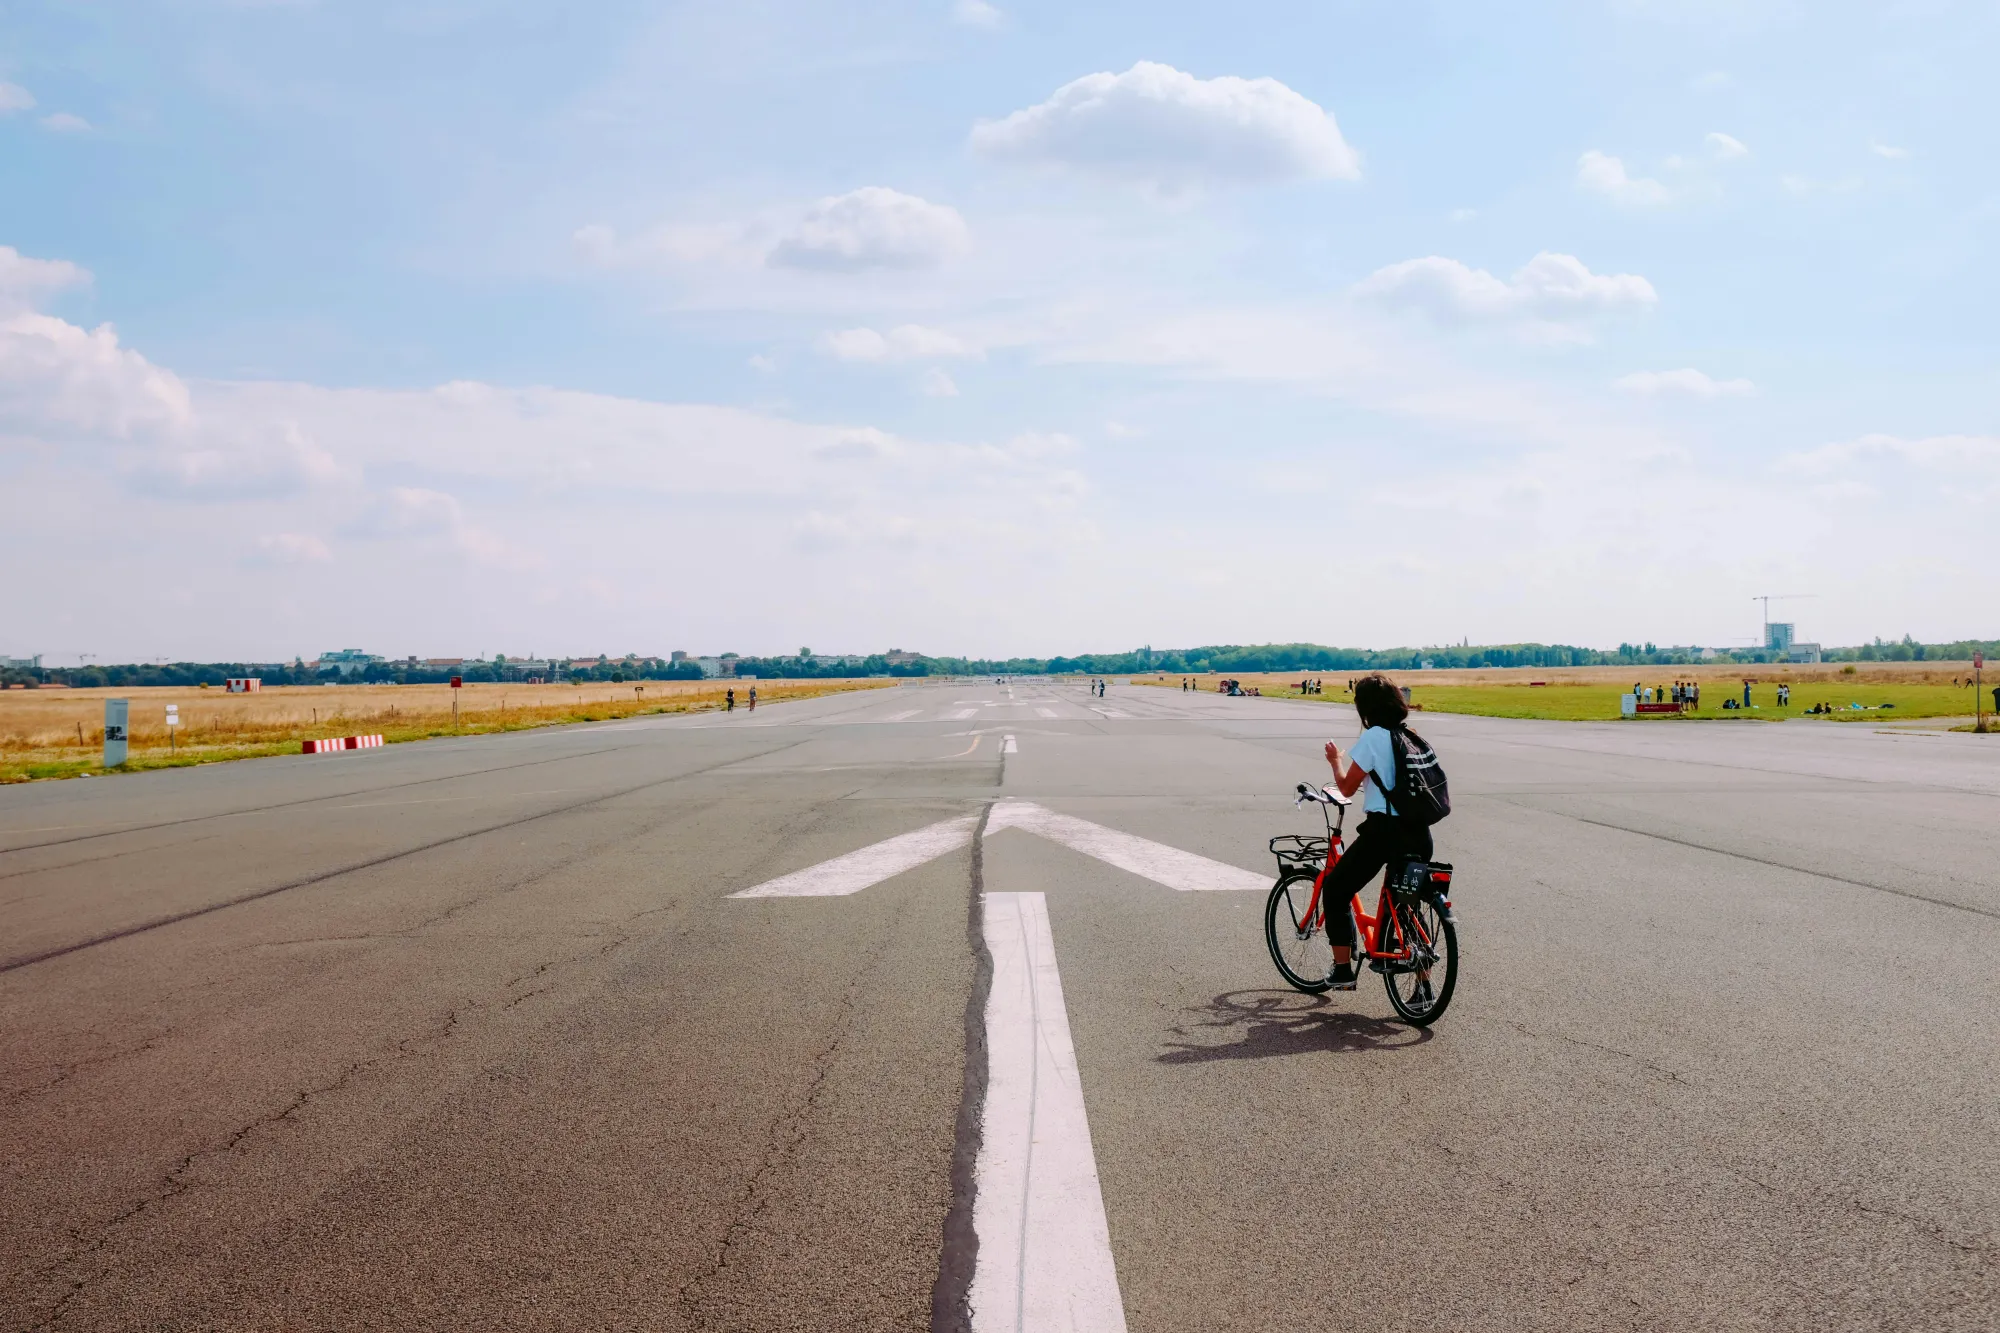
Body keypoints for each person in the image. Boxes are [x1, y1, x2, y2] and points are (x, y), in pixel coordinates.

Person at [1319, 674, 1437, 991]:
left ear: (1364, 707)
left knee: (1335, 889)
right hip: (1420, 832)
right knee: (1406, 904)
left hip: (1385, 832)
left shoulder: (1373, 738)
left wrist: (1335, 761)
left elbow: (1345, 787)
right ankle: (1423, 985)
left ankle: (1343, 971)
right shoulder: (1411, 736)